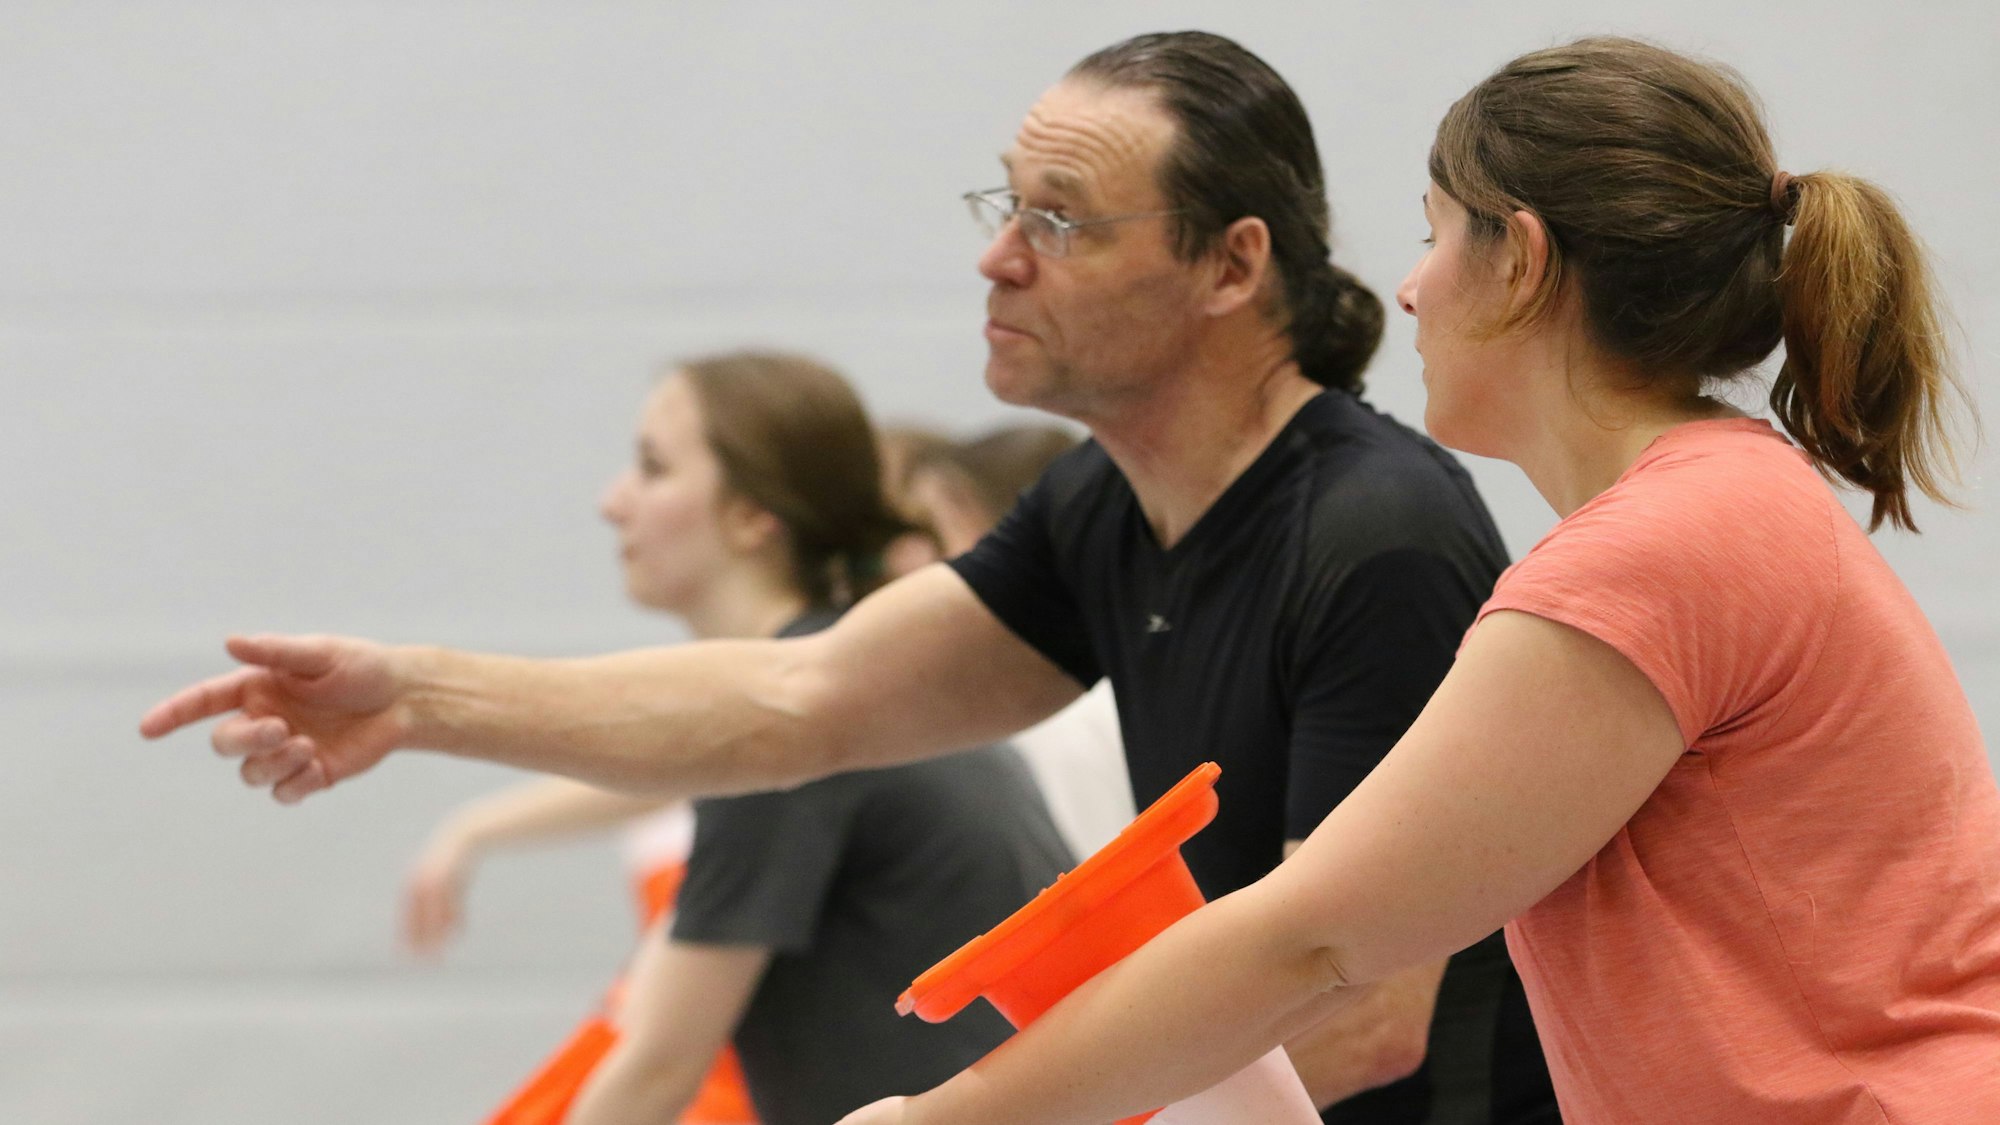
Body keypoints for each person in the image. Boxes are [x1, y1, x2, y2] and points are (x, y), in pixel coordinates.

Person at [139, 32, 1560, 1122]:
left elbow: (1365, 1001)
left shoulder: (1374, 535)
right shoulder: (1104, 507)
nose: (999, 259)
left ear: (1231, 264)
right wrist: (415, 697)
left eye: (1061, 221)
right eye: (1004, 208)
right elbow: (798, 700)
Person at [804, 36, 1995, 1125]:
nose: (1410, 289)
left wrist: (936, 1119)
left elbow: (1312, 939)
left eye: (1432, 233)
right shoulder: (1716, 506)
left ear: (1519, 258)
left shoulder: (1659, 549)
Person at [410, 349, 1073, 1125]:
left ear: (753, 518)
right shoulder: (857, 692)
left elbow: (657, 1070)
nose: (612, 501)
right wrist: (477, 825)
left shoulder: (792, 742)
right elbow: (654, 748)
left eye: (653, 468)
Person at [904, 424, 1136, 858]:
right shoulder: (1108, 678)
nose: (909, 562)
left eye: (932, 532)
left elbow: (1093, 884)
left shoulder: (1050, 716)